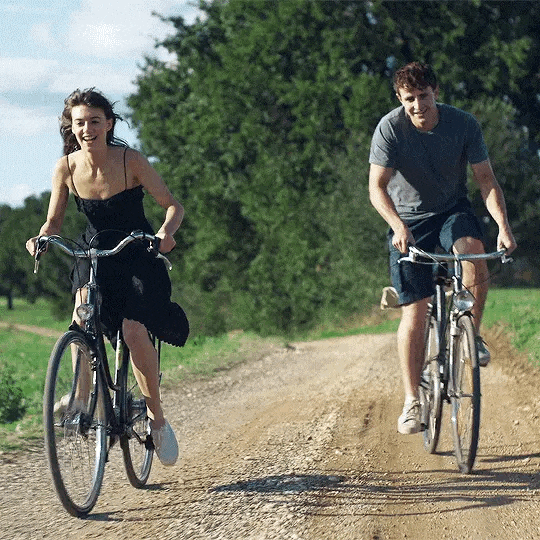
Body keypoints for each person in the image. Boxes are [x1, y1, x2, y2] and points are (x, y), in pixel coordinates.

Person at [26, 88, 189, 465]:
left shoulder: (132, 160)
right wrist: (42, 238)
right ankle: (81, 399)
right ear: (72, 127)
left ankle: (157, 420)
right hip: (94, 249)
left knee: (133, 331)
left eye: (95, 121)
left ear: (109, 124)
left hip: (136, 250)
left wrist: (165, 234)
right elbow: (53, 221)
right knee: (81, 313)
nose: (87, 129)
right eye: (80, 123)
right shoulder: (66, 167)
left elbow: (173, 206)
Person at [368, 62, 517, 435]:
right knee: (415, 312)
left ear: (436, 92)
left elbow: (486, 180)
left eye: (423, 96)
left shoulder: (463, 124)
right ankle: (412, 401)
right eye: (409, 99)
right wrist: (397, 226)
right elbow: (377, 187)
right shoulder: (390, 128)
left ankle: (472, 335)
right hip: (408, 222)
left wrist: (503, 227)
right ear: (399, 98)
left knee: (473, 253)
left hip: (452, 210)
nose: (417, 105)